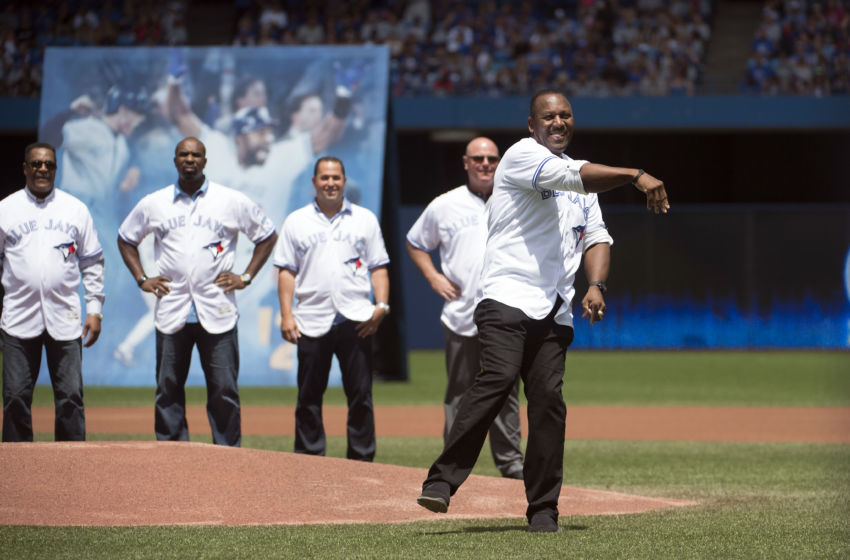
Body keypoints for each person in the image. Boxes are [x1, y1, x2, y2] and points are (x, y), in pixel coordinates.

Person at [416, 90, 669, 533]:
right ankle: (442, 481)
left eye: (565, 115)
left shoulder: (580, 177)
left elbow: (597, 238)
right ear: (531, 126)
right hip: (505, 296)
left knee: (549, 403)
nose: (558, 121)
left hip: (554, 310)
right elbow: (581, 179)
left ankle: (544, 509)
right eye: (548, 116)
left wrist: (595, 285)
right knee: (497, 379)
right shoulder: (521, 156)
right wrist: (636, 174)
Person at [116, 137, 277, 447]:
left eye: (196, 155)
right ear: (175, 160)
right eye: (183, 154)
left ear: (205, 161)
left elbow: (267, 236)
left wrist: (246, 275)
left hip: (217, 309)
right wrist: (142, 278)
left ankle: (227, 455)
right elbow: (126, 238)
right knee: (168, 389)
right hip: (172, 308)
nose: (189, 159)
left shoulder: (230, 200)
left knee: (224, 390)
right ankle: (173, 454)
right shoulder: (154, 202)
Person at [406, 137, 524, 480]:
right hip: (461, 314)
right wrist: (433, 276)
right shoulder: (445, 205)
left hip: (505, 311)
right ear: (465, 162)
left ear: (500, 162)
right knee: (459, 393)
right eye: (478, 158)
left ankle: (511, 463)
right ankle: (453, 462)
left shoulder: (515, 198)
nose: (485, 164)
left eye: (491, 158)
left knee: (506, 390)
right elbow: (416, 242)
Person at [273, 156, 390, 462]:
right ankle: (309, 459)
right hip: (311, 319)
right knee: (309, 397)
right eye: (324, 178)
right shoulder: (296, 221)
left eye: (336, 177)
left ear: (344, 181)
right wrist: (286, 314)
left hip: (357, 319)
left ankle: (362, 462)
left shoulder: (364, 219)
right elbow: (286, 270)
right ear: (314, 182)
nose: (330, 183)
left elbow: (378, 267)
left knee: (361, 396)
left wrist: (382, 306)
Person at [0, 142, 105, 442]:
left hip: (65, 316)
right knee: (16, 397)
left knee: (71, 397)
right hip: (19, 317)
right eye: (36, 164)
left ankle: (71, 467)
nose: (43, 169)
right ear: (25, 168)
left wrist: (95, 309)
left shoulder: (75, 209)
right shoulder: (5, 209)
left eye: (49, 164)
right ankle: (17, 467)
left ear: (56, 168)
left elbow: (93, 262)